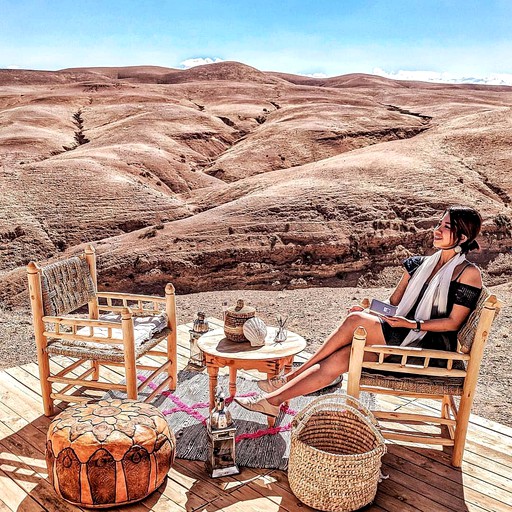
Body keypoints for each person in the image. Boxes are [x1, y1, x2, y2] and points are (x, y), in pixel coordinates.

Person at [235, 205, 483, 418]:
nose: (436, 230)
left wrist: (410, 325)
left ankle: (288, 378)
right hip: (397, 334)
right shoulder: (419, 265)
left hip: (425, 347)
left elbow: (452, 323)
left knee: (355, 321)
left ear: (462, 237)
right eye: (438, 224)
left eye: (446, 226)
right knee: (341, 357)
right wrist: (370, 311)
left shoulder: (468, 273)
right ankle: (272, 402)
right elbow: (393, 304)